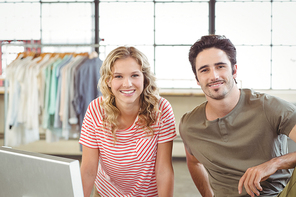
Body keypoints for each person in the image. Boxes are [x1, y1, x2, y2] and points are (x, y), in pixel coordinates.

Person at [179, 35, 296, 197]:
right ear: (197, 79)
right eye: (204, 70)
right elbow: (193, 162)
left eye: (220, 66)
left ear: (234, 70)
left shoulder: (270, 107)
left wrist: (275, 163)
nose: (214, 76)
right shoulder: (190, 125)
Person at [79, 46, 177, 197]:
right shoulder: (95, 110)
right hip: (106, 193)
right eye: (118, 76)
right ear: (108, 81)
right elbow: (88, 170)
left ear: (145, 79)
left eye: (134, 75)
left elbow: (164, 170)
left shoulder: (161, 109)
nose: (127, 84)